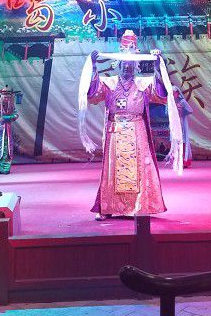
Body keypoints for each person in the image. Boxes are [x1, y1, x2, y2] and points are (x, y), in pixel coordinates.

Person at [78, 29, 183, 221]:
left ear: (135, 66)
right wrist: (93, 67)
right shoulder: (109, 82)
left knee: (140, 167)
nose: (127, 68)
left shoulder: (143, 83)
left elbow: (161, 96)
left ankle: (139, 205)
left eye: (130, 65)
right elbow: (92, 96)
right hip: (116, 130)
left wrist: (158, 66)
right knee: (113, 169)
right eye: (124, 64)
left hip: (137, 130)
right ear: (118, 65)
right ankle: (109, 206)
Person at [0, 86, 20, 175]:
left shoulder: (11, 106)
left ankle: (5, 168)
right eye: (5, 97)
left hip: (7, 131)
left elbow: (16, 115)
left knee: (6, 149)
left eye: (8, 97)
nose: (6, 99)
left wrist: (7, 118)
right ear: (1, 97)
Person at [173, 86, 194, 168]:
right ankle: (176, 161)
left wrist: (181, 110)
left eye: (174, 92)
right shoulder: (171, 101)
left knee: (183, 141)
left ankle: (184, 161)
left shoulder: (182, 101)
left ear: (177, 93)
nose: (173, 94)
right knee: (175, 141)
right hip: (175, 123)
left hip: (181, 123)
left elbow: (190, 110)